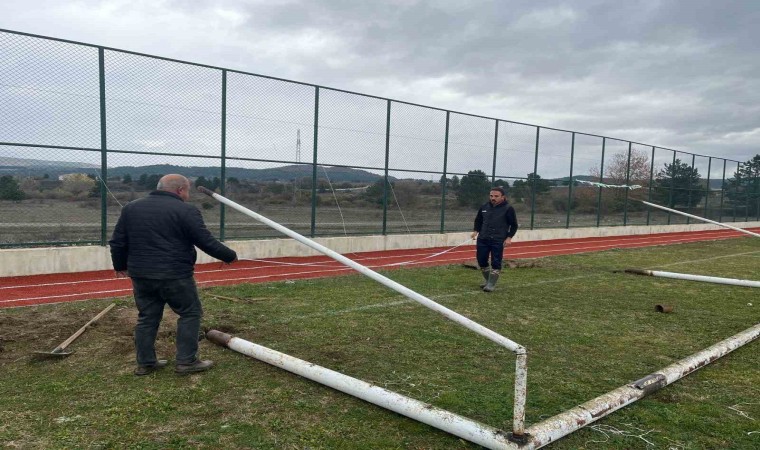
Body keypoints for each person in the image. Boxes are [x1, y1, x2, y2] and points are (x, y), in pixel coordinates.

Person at [109, 174, 237, 376]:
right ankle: (186, 361)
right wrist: (229, 256)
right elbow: (204, 240)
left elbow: (117, 242)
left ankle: (145, 363)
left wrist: (120, 265)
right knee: (189, 313)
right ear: (180, 190)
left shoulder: (131, 208)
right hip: (175, 274)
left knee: (147, 318)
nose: (187, 195)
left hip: (141, 275)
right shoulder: (186, 210)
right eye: (187, 191)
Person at [470, 187, 519, 292]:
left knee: (496, 262)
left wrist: (509, 237)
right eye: (491, 196)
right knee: (481, 260)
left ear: (503, 197)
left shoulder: (508, 208)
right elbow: (478, 220)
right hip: (483, 238)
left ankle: (491, 285)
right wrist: (475, 231)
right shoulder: (484, 207)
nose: (493, 198)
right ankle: (488, 281)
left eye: (496, 196)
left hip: (498, 239)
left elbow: (514, 225)